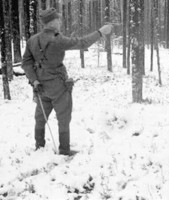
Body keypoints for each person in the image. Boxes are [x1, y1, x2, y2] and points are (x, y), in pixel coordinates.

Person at [22, 8, 113, 155]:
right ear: (52, 22)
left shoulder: (32, 40)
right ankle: (64, 149)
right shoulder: (58, 40)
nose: (60, 22)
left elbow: (26, 63)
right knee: (63, 117)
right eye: (57, 19)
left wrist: (34, 81)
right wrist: (100, 32)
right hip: (58, 85)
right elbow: (82, 43)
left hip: (40, 86)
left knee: (40, 117)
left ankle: (39, 146)